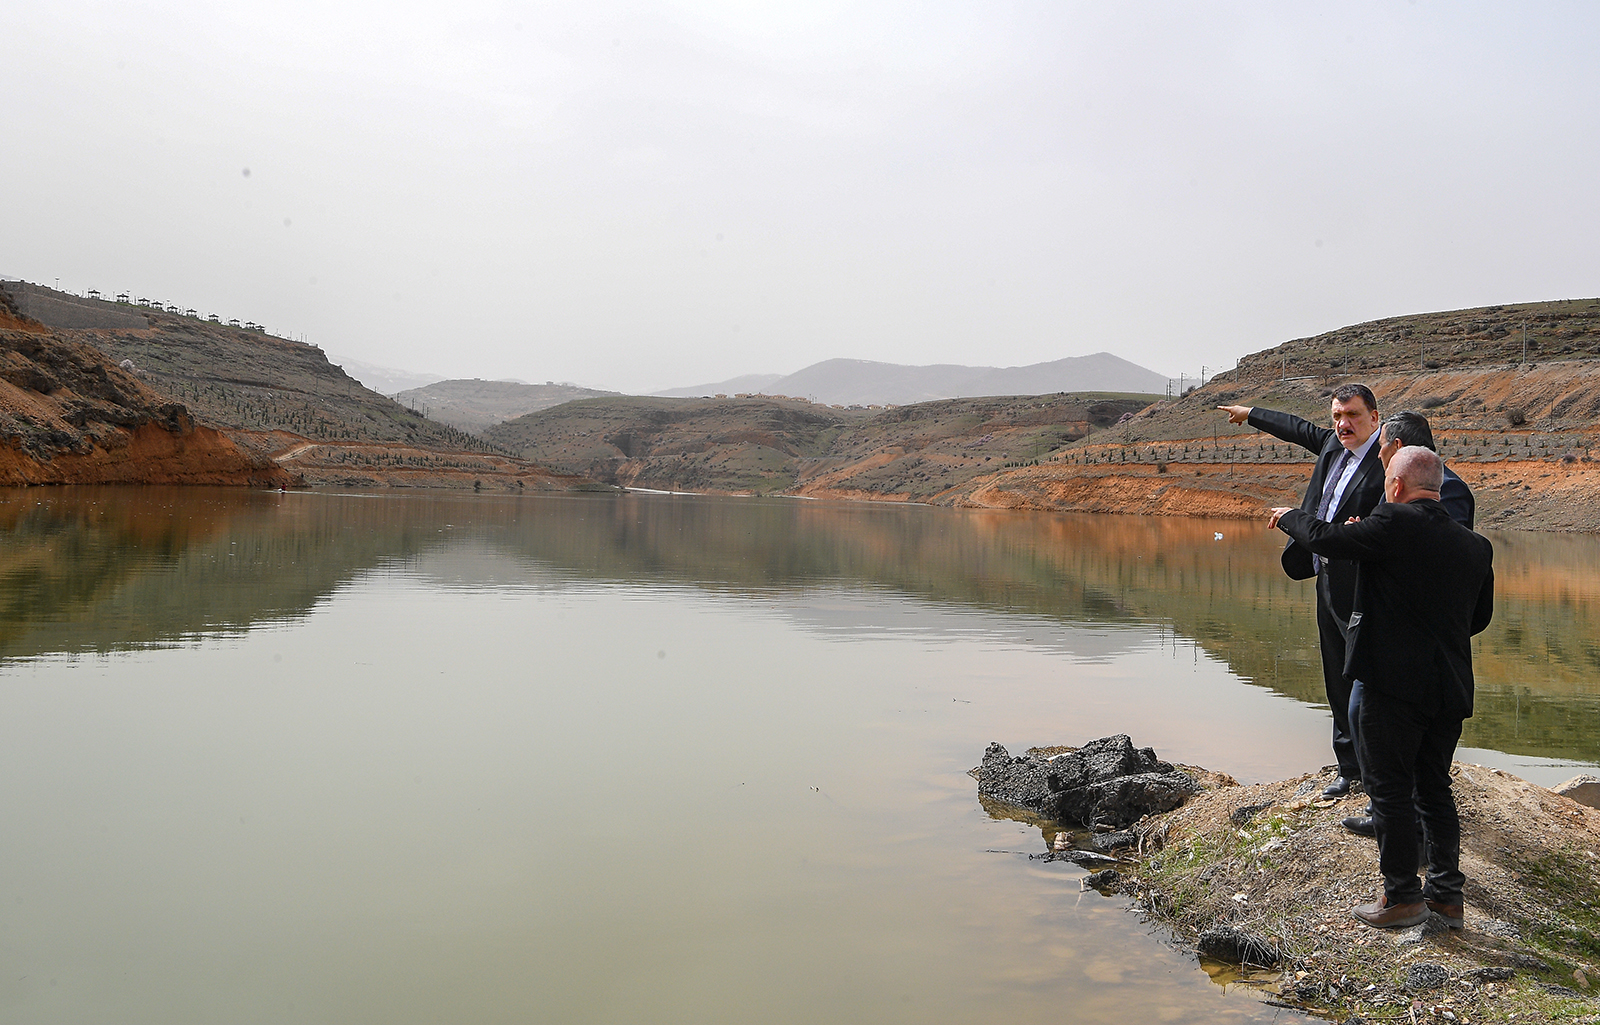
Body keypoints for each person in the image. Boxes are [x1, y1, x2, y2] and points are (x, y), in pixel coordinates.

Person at [1268, 447, 1494, 929]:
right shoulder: (1475, 545)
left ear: (1395, 486)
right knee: (1435, 789)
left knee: (1390, 790)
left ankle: (1401, 898)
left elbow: (1325, 539)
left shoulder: (1393, 522)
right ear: (1437, 486)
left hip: (1391, 687)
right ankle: (1447, 898)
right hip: (1448, 687)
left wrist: (1289, 516)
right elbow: (1479, 618)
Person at [1219, 385, 1385, 798]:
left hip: (1363, 584)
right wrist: (1250, 413)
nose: (1343, 424)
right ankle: (1348, 769)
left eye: (1352, 416)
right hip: (1326, 576)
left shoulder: (1386, 463)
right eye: (1337, 416)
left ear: (1374, 418)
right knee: (1335, 673)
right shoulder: (1332, 444)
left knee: (1364, 675)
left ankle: (1378, 770)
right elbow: (1297, 429)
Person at [1341, 409, 1476, 837]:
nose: (1376, 453)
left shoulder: (1446, 490)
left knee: (1405, 741)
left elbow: (1435, 552)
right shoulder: (1405, 482)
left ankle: (1407, 833)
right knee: (1361, 712)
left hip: (1417, 640)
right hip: (1391, 631)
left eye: (1380, 444)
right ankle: (1388, 811)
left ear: (1396, 447)